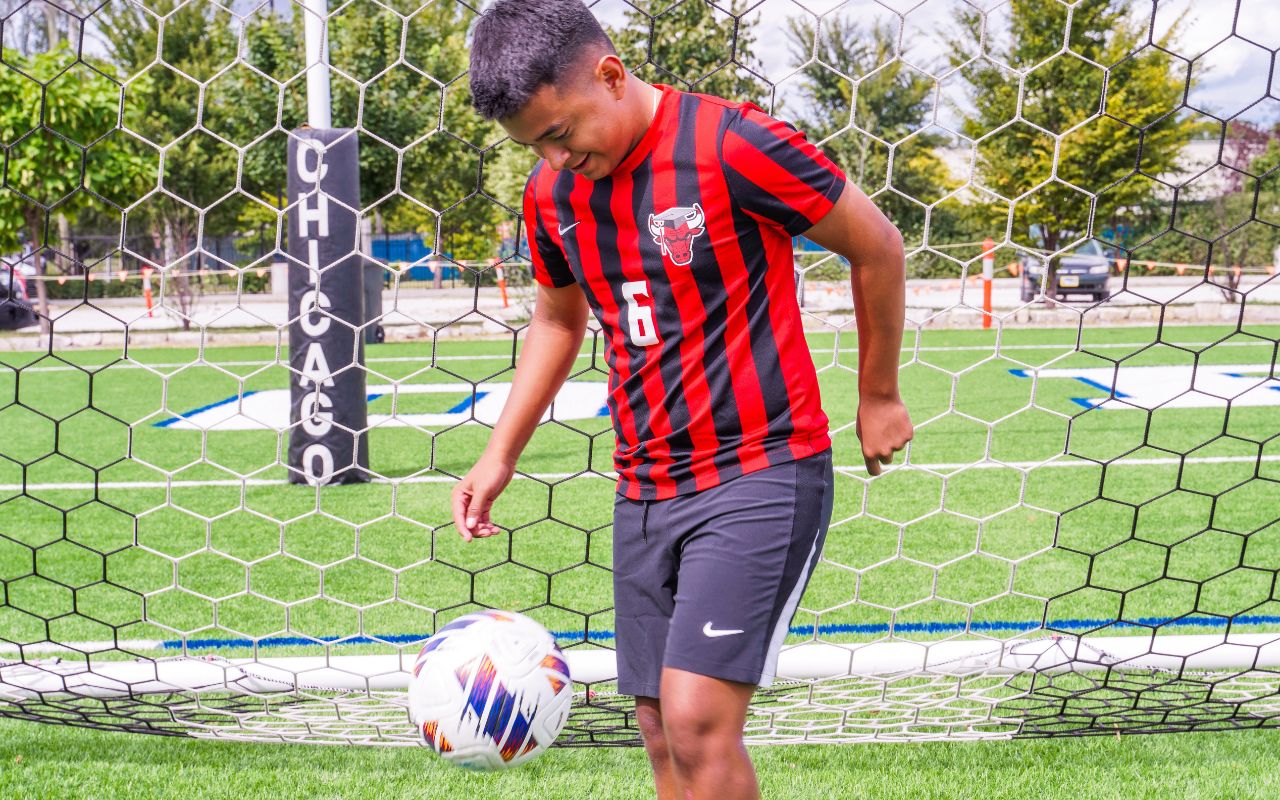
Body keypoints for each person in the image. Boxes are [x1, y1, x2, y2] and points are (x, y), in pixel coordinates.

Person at [453, 1, 912, 797]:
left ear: (610, 74)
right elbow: (558, 321)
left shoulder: (734, 145)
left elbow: (876, 244)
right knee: (663, 730)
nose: (555, 159)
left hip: (761, 468)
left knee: (698, 717)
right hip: (644, 484)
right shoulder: (551, 195)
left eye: (561, 134)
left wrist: (877, 394)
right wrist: (500, 453)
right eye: (535, 146)